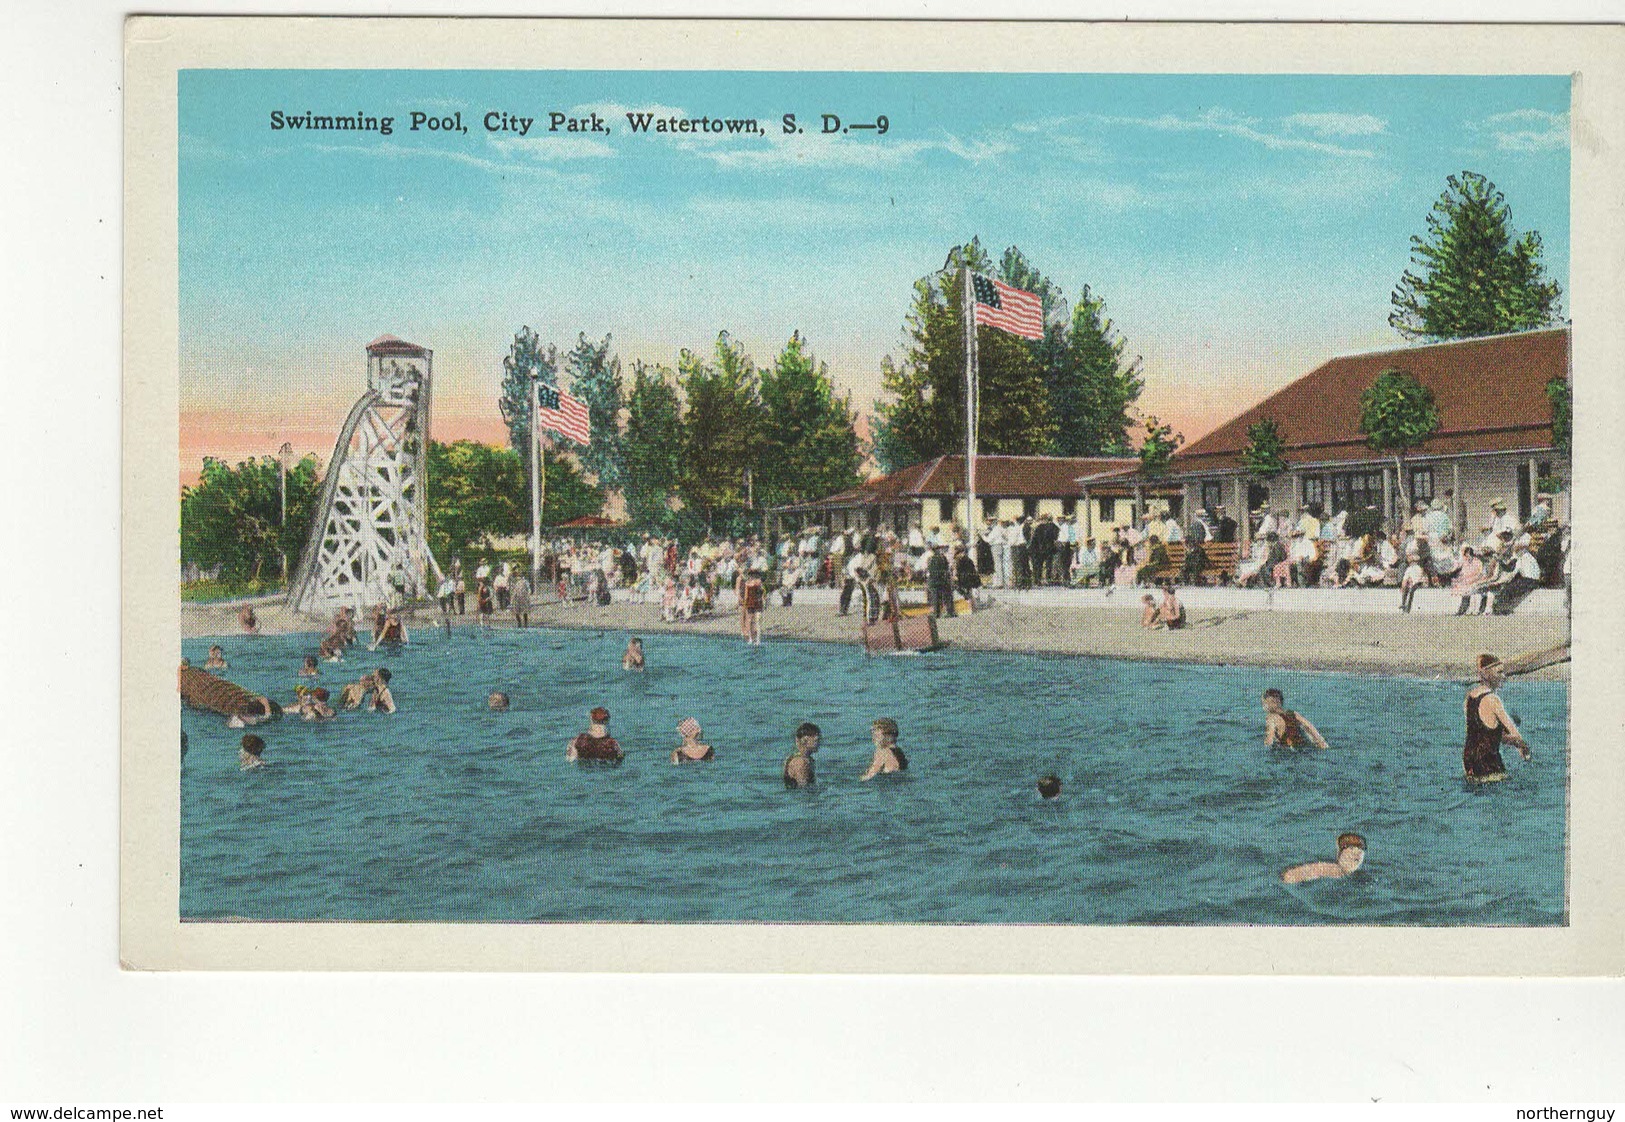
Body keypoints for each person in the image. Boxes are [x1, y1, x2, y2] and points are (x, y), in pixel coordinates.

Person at [1463, 654, 1532, 781]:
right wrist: (1523, 747)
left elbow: (1484, 734)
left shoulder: (1470, 697)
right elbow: (1513, 732)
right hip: (1488, 764)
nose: (1503, 677)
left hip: (1469, 763)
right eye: (1499, 673)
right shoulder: (1493, 700)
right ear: (1486, 674)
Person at [1281, 833, 1366, 884]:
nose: (1355, 854)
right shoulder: (1331, 870)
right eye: (1351, 850)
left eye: (1359, 852)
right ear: (1339, 854)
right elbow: (1289, 876)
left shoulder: (1349, 875)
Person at [1262, 687, 1330, 750]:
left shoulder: (1271, 718)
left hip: (1286, 751)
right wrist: (1322, 743)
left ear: (1271, 703)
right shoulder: (1293, 714)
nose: (1264, 707)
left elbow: (1270, 739)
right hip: (1302, 746)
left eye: (1264, 704)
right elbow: (1309, 727)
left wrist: (1267, 744)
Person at [783, 721, 820, 788]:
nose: (819, 743)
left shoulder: (806, 759)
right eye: (816, 741)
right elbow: (803, 788)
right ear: (804, 740)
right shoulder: (801, 763)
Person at [926, 544, 955, 618]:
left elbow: (928, 570)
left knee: (936, 598)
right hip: (942, 580)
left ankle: (937, 613)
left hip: (934, 580)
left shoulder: (930, 558)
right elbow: (946, 568)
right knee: (946, 596)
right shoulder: (942, 557)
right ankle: (950, 611)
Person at [739, 567, 765, 644]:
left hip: (756, 602)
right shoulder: (749, 583)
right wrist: (744, 604)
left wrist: (763, 599)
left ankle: (756, 639)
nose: (752, 576)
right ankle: (752, 638)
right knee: (751, 621)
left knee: (756, 621)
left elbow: (762, 592)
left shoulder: (757, 582)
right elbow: (746, 595)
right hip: (751, 602)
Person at [1399, 547, 1428, 613]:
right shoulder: (1411, 569)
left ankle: (1406, 606)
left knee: (1410, 590)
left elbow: (1420, 578)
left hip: (1417, 584)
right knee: (1408, 589)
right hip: (1415, 584)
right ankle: (1404, 606)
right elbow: (1405, 581)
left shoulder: (1416, 568)